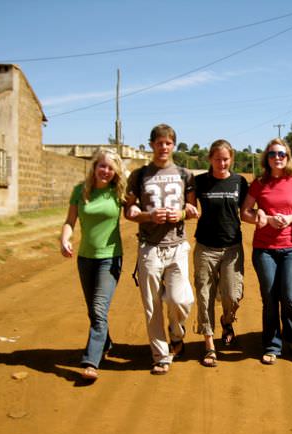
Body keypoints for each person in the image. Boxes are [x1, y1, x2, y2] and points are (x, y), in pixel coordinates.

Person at [124, 124, 199, 375]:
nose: (163, 147)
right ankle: (161, 355)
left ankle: (176, 333)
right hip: (150, 247)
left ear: (173, 145)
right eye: (159, 143)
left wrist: (181, 214)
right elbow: (129, 211)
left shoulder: (185, 174)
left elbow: (192, 210)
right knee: (152, 305)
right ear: (152, 145)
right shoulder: (139, 175)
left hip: (177, 245)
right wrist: (148, 216)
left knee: (181, 299)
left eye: (168, 143)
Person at [241, 138, 292, 365]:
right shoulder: (259, 183)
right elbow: (245, 212)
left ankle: (290, 335)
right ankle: (272, 344)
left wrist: (290, 218)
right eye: (272, 154)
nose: (277, 158)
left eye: (281, 154)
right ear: (267, 158)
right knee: (270, 298)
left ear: (287, 157)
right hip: (264, 249)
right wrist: (265, 218)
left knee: (289, 297)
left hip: (291, 248)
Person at [60, 148, 126, 381]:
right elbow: (70, 221)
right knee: (93, 310)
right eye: (102, 166)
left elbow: (137, 210)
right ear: (95, 166)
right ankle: (105, 343)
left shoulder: (119, 192)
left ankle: (91, 361)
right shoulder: (81, 191)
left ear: (116, 171)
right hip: (85, 258)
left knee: (99, 308)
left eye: (111, 168)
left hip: (110, 257)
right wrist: (64, 238)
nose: (105, 171)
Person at [193, 139, 249, 367]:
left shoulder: (239, 182)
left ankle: (227, 320)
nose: (222, 163)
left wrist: (263, 214)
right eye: (217, 159)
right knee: (204, 295)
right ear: (210, 159)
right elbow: (188, 204)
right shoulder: (199, 182)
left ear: (231, 159)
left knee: (233, 295)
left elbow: (246, 211)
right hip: (205, 248)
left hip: (232, 248)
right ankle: (209, 344)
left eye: (226, 159)